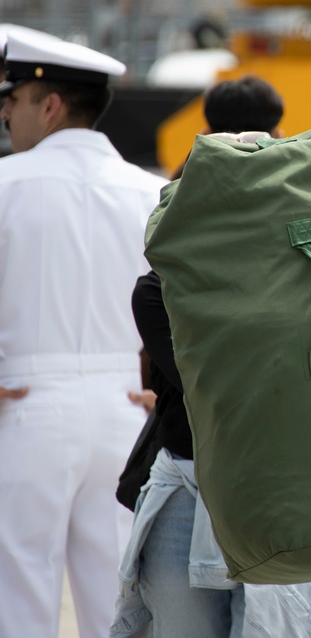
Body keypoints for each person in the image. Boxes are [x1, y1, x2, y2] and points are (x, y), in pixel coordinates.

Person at [110, 75, 311, 638]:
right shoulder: (158, 291)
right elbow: (227, 388)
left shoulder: (304, 273)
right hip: (207, 483)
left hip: (267, 486)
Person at [0, 31, 168, 638]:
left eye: (11, 103)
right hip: (126, 409)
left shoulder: (6, 185)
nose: (6, 117)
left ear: (47, 106)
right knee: (117, 599)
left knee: (19, 595)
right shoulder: (150, 193)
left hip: (24, 407)